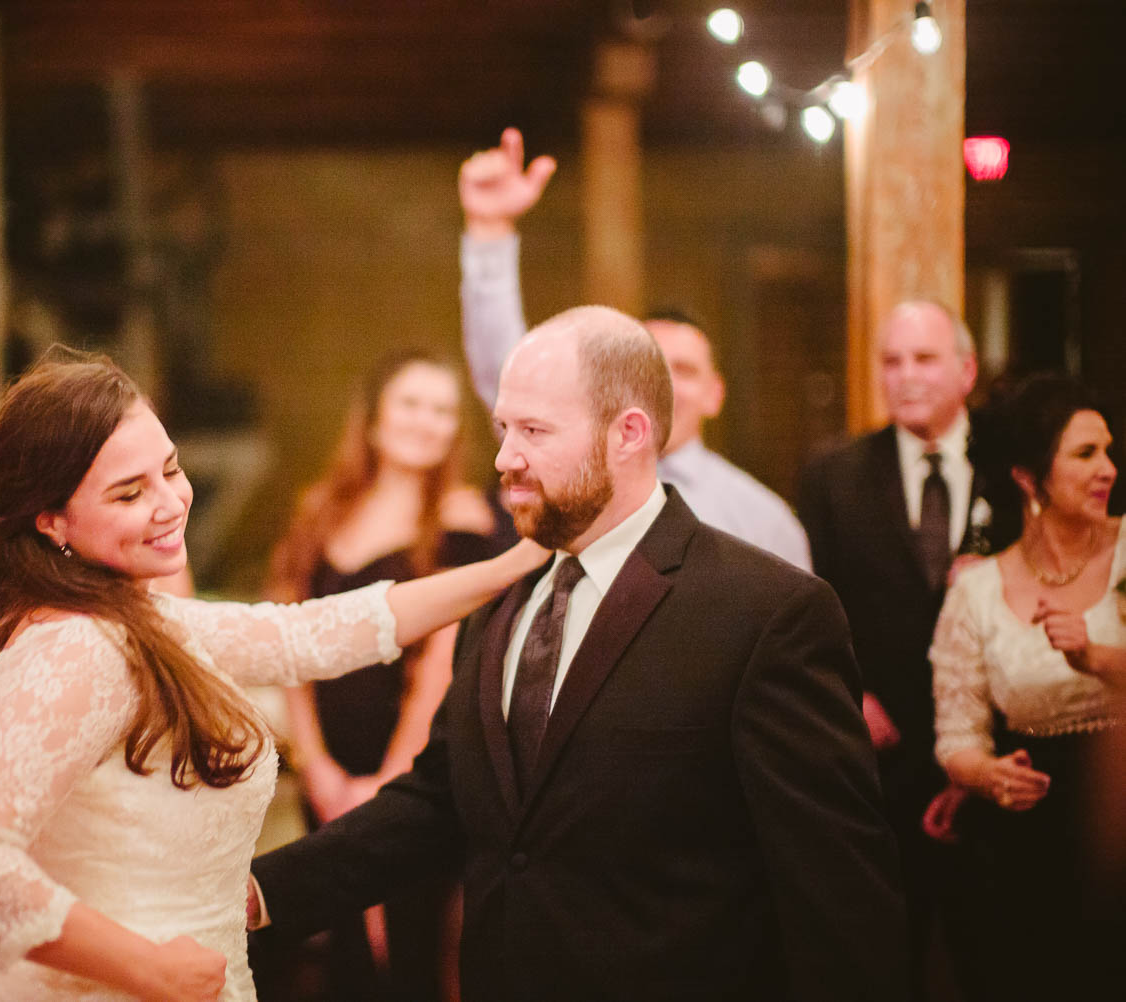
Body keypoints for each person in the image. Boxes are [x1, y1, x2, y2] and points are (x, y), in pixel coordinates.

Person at [250, 306, 906, 1001]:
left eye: (534, 431)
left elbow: (838, 893)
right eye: (505, 429)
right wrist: (263, 894)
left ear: (628, 434)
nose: (505, 457)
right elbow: (442, 796)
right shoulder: (501, 592)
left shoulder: (767, 613)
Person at [0, 350, 546, 1002]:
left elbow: (313, 632)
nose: (169, 503)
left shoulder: (139, 618)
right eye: (129, 492)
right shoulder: (74, 647)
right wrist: (146, 969)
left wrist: (516, 563)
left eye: (171, 470)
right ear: (52, 521)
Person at [457, 127, 811, 570]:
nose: (662, 384)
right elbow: (503, 367)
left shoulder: (764, 521)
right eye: (648, 367)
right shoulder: (560, 468)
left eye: (682, 370)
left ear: (715, 393)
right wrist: (489, 232)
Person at [265, 350, 496, 1001]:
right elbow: (287, 640)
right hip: (327, 774)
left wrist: (391, 780)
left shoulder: (461, 520)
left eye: (443, 410)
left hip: (415, 777)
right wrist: (314, 764)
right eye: (412, 404)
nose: (427, 421)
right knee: (342, 951)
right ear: (373, 418)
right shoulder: (319, 510)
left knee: (409, 951)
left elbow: (443, 666)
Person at [797, 299, 979, 996]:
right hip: (880, 757)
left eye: (924, 359)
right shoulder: (833, 474)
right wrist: (853, 697)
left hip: (996, 762)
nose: (905, 376)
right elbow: (811, 606)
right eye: (891, 361)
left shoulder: (1012, 467)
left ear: (965, 369)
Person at [927, 373, 1126, 1000]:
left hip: (1115, 811)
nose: (1108, 469)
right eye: (1085, 454)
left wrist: (1093, 655)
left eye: (1109, 451)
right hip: (1025, 842)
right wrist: (985, 776)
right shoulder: (977, 590)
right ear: (1026, 476)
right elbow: (957, 730)